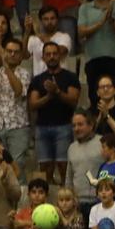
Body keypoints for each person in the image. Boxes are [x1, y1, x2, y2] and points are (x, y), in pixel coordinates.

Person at [28, 41, 81, 184]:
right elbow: (32, 104)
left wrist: (57, 91)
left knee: (64, 166)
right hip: (42, 127)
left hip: (64, 126)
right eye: (48, 54)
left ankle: (66, 195)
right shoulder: (37, 80)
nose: (51, 57)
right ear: (43, 58)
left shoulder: (70, 77)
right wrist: (49, 96)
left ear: (60, 56)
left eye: (54, 53)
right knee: (45, 167)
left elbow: (73, 101)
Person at [0, 37, 31, 181]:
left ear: (21, 55)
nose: (12, 54)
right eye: (9, 51)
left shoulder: (24, 73)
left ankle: (18, 198)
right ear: (5, 52)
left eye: (16, 52)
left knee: (17, 164)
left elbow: (18, 91)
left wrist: (6, 67)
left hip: (18, 126)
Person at [66, 109, 104, 219]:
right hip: (78, 204)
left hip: (100, 202)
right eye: (74, 125)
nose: (76, 128)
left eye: (80, 124)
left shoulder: (103, 142)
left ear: (91, 125)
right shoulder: (71, 148)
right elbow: (69, 177)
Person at [23, 6, 72, 77]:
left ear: (57, 20)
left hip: (60, 79)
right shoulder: (33, 39)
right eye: (46, 19)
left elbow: (60, 51)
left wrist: (37, 32)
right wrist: (26, 33)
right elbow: (24, 56)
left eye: (52, 18)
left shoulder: (64, 37)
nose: (49, 22)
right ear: (41, 21)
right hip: (39, 80)